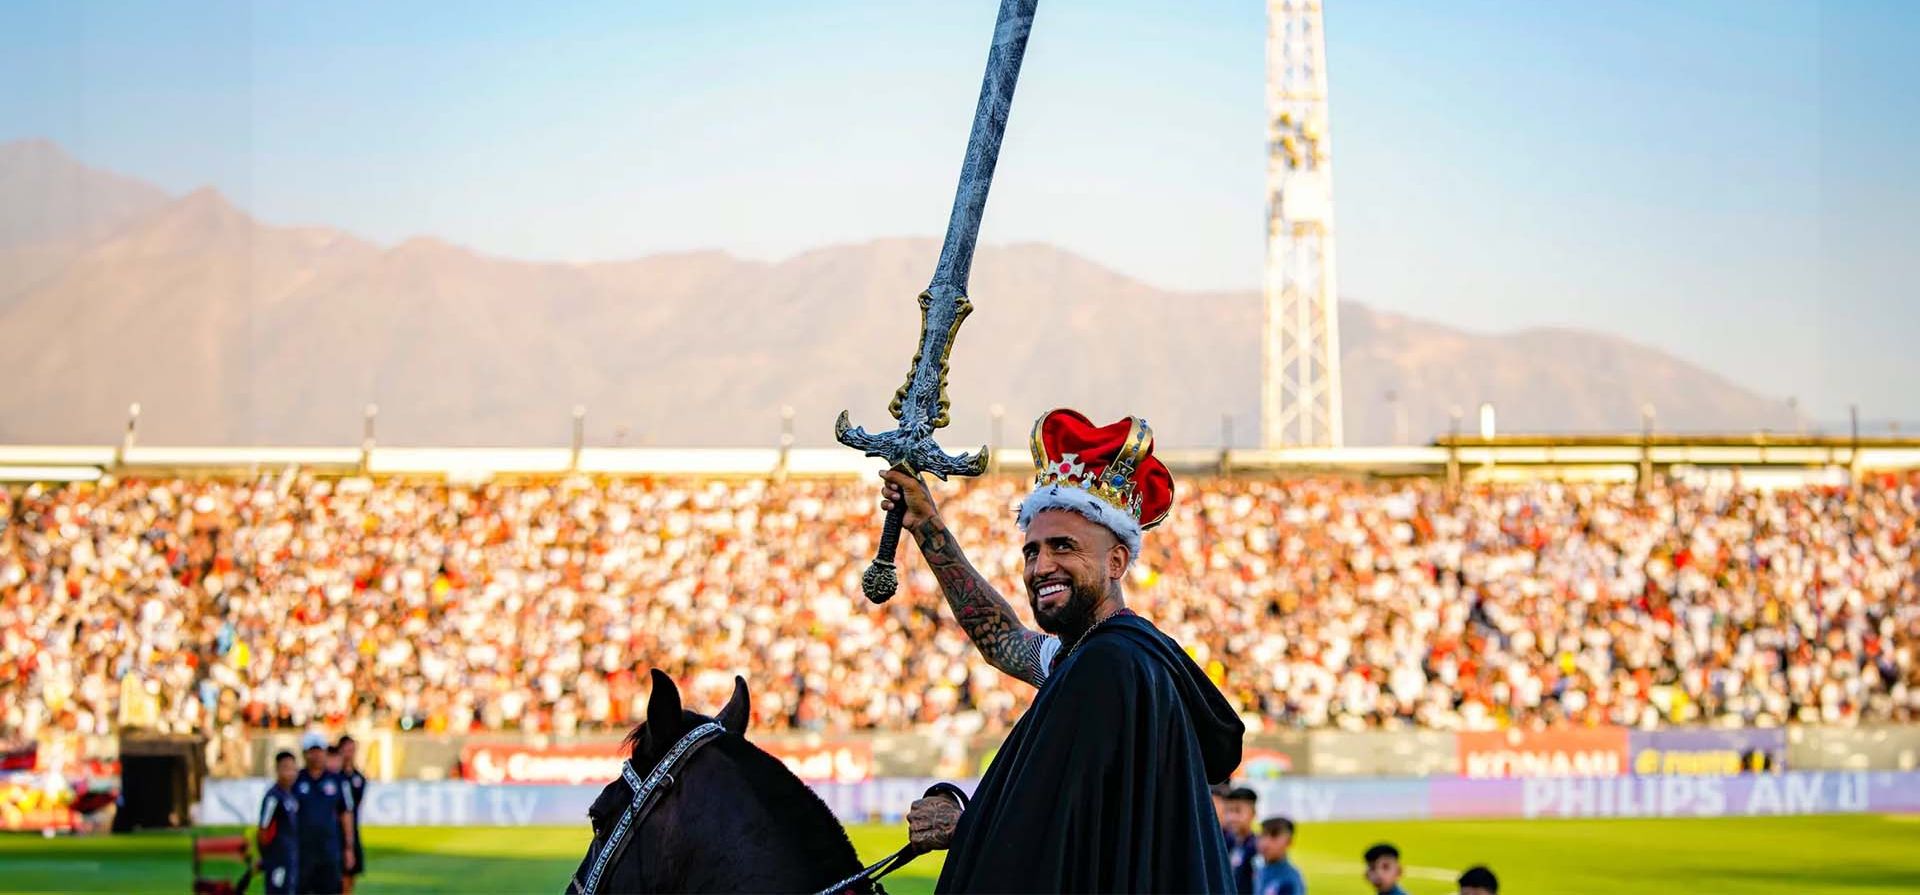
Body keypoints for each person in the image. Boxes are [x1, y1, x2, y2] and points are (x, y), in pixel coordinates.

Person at [888, 409, 1245, 892]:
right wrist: (928, 528)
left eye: (1063, 547)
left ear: (1116, 561)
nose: (1041, 566)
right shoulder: (1089, 657)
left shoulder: (1109, 665)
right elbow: (1001, 639)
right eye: (1032, 551)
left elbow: (1050, 831)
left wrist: (963, 825)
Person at [292, 733, 355, 894]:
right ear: (305, 753)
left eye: (319, 750)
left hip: (329, 851)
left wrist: (349, 847)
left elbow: (346, 814)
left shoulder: (337, 781)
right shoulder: (296, 780)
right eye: (312, 751)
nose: (316, 755)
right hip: (302, 851)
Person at [256, 751, 300, 895]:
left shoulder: (291, 796)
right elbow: (263, 829)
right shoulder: (273, 797)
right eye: (285, 768)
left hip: (291, 856)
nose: (290, 773)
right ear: (277, 769)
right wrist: (266, 856)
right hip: (278, 858)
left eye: (292, 769)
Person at [336, 736, 368, 894]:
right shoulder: (334, 777)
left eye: (352, 750)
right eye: (347, 749)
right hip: (335, 833)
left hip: (352, 831)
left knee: (350, 876)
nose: (350, 754)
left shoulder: (359, 778)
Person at [1224, 787, 1260, 893]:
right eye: (1229, 811)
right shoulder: (1226, 843)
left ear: (1253, 813)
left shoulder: (1257, 848)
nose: (1232, 817)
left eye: (1238, 811)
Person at [1256, 817, 1305, 895]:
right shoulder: (1260, 869)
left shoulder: (1289, 880)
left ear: (1289, 841)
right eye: (1263, 835)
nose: (1266, 843)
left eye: (1274, 836)